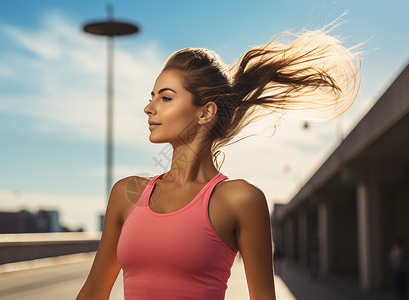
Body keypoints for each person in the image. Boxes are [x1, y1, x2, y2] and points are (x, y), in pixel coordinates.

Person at [76, 24, 360, 300]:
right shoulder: (127, 195)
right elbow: (92, 293)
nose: (149, 108)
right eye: (152, 98)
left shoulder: (241, 200)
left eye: (165, 98)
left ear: (205, 112)